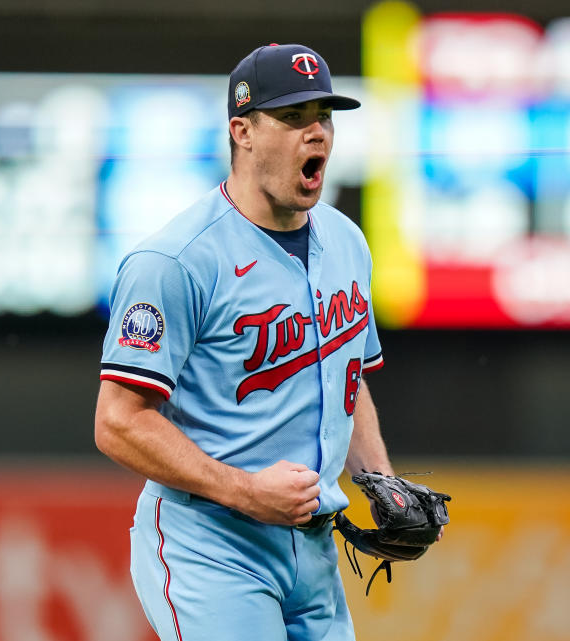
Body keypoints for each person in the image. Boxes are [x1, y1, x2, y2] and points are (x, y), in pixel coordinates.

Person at [94, 43, 392, 641]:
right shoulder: (176, 259)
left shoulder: (346, 241)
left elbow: (345, 380)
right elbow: (119, 421)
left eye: (323, 117)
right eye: (292, 118)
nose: (316, 135)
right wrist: (245, 490)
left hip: (312, 548)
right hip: (211, 542)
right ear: (243, 132)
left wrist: (379, 481)